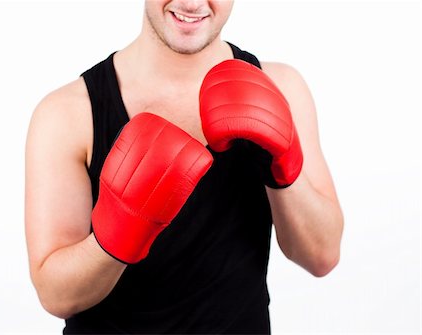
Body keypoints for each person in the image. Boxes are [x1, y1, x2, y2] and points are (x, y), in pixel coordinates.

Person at [25, 1, 344, 334]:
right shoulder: (67, 114)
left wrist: (284, 168)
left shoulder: (281, 86)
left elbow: (322, 256)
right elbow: (56, 295)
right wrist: (116, 235)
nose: (192, 3)